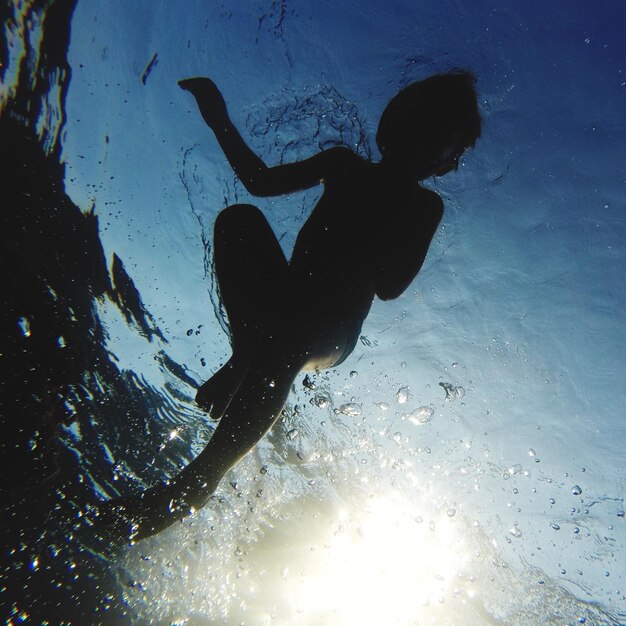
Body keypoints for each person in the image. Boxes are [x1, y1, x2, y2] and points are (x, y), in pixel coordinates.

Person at [96, 70, 481, 541]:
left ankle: (196, 483)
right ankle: (245, 357)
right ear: (401, 122)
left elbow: (391, 286)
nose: (450, 159)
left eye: (452, 150)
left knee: (288, 340)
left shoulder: (424, 207)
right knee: (239, 220)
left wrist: (385, 218)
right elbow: (258, 183)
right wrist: (218, 120)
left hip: (330, 331)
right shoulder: (342, 165)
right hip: (283, 301)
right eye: (446, 140)